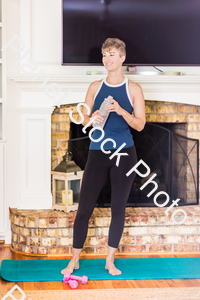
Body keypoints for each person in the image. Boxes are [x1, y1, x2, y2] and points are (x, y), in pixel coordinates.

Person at [61, 38, 146, 276]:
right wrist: (94, 117)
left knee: (118, 208)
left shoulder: (134, 89)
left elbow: (140, 125)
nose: (107, 59)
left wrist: (121, 111)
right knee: (84, 209)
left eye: (111, 54)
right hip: (98, 152)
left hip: (124, 154)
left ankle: (109, 261)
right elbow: (83, 121)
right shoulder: (95, 87)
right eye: (104, 55)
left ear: (122, 58)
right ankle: (74, 260)